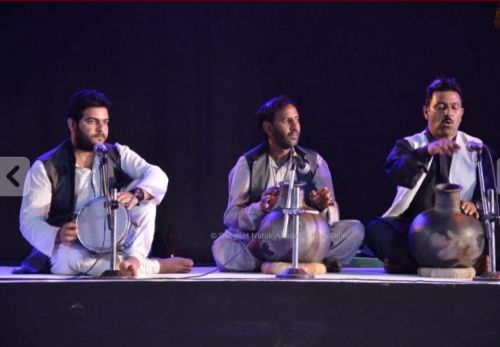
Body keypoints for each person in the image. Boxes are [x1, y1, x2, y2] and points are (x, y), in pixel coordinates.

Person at [18, 89, 193, 277]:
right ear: (72, 125)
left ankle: (134, 259)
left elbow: (157, 174)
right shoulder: (46, 166)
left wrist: (137, 194)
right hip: (71, 246)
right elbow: (29, 221)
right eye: (92, 122)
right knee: (67, 262)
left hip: (113, 239)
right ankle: (152, 267)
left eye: (105, 123)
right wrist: (58, 234)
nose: (101, 130)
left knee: (146, 197)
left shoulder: (117, 153)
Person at [212, 95, 365, 272]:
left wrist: (321, 207)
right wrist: (260, 208)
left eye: (297, 120)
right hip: (264, 241)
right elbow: (231, 217)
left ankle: (273, 267)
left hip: (306, 239)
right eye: (287, 121)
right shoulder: (248, 164)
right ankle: (311, 265)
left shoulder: (314, 162)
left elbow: (333, 219)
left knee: (354, 230)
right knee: (223, 245)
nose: (295, 127)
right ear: (268, 128)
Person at [365, 76, 495, 274]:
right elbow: (395, 170)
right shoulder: (410, 145)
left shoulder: (476, 148)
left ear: (461, 113)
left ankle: (415, 265)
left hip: (461, 232)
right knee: (375, 230)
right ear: (426, 111)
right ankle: (462, 266)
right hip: (417, 231)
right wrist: (427, 151)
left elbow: (492, 193)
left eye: (454, 107)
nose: (448, 113)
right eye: (441, 107)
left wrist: (475, 204)